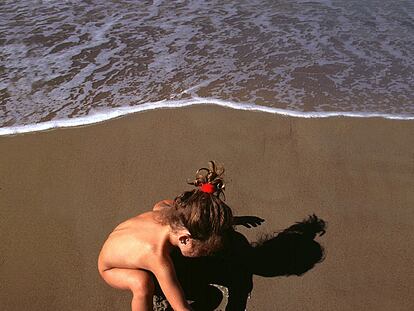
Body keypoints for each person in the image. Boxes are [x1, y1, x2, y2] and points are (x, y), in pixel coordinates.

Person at [97, 161, 234, 311]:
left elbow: (160, 203)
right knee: (142, 283)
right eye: (201, 251)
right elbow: (181, 308)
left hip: (123, 240)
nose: (203, 254)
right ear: (184, 239)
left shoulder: (171, 211)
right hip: (111, 267)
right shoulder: (157, 258)